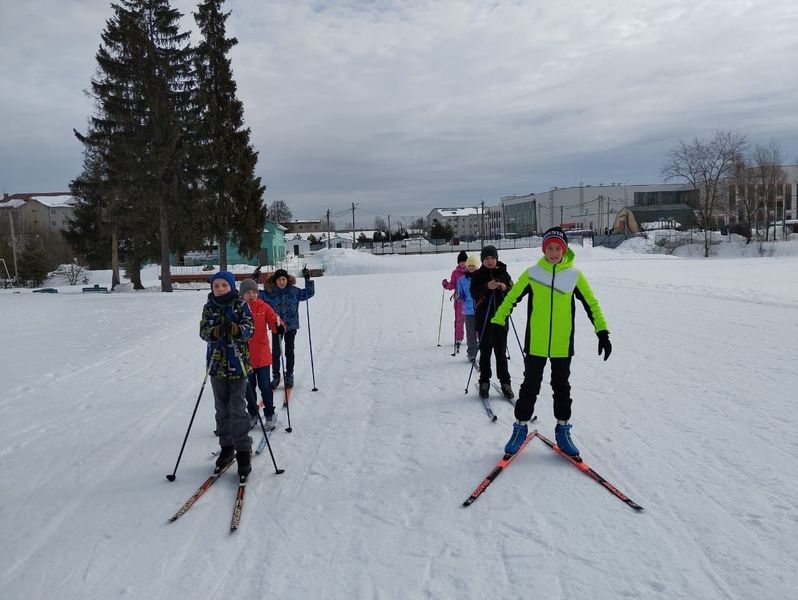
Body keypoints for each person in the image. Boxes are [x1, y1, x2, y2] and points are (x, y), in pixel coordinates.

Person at [491, 227, 611, 459]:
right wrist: (498, 321)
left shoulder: (574, 276)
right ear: (544, 249)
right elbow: (511, 298)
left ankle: (563, 430)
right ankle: (519, 428)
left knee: (562, 388)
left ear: (564, 250)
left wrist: (602, 332)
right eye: (550, 248)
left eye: (558, 248)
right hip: (536, 343)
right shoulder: (533, 273)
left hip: (562, 344)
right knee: (530, 387)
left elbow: (591, 304)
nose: (553, 252)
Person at [199, 271, 255, 477]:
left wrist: (236, 329)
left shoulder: (241, 305)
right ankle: (226, 447)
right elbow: (203, 331)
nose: (220, 289)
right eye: (216, 286)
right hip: (217, 367)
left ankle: (242, 450)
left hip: (239, 366)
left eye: (224, 285)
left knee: (238, 410)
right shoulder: (209, 307)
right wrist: (214, 332)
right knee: (221, 410)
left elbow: (251, 328)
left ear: (231, 286)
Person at [258, 267, 315, 389]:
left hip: (291, 325)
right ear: (275, 281)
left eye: (283, 279)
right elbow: (253, 294)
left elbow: (308, 293)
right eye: (279, 279)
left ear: (287, 280)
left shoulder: (293, 291)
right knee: (276, 352)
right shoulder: (269, 293)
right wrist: (254, 279)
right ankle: (276, 376)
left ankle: (289, 375)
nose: (281, 282)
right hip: (276, 326)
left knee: (289, 351)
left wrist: (308, 279)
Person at [238, 279, 284, 430]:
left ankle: (269, 415)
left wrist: (279, 326)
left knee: (265, 387)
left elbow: (273, 319)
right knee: (249, 389)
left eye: (254, 292)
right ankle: (252, 414)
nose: (251, 295)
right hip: (245, 357)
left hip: (263, 356)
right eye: (247, 292)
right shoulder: (239, 309)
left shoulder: (263, 306)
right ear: (242, 294)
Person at [470, 245, 514, 400]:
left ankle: (505, 382)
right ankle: (484, 381)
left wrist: (504, 287)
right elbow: (473, 292)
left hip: (501, 321)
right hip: (483, 321)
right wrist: (486, 286)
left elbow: (513, 292)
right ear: (482, 260)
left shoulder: (503, 273)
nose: (489, 261)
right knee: (485, 353)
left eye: (492, 258)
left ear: (497, 258)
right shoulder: (478, 274)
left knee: (501, 353)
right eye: (486, 258)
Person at [442, 250, 468, 353]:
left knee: (473, 319)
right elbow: (452, 285)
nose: (462, 263)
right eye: (460, 261)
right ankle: (458, 338)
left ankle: (476, 337)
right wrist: (446, 284)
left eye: (464, 261)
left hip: (471, 299)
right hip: (459, 300)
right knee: (459, 319)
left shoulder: (471, 270)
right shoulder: (455, 273)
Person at [455, 254, 479, 362]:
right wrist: (460, 296)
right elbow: (460, 294)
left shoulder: (481, 277)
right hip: (468, 310)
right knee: (470, 333)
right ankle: (472, 353)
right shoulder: (462, 280)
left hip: (480, 309)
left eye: (473, 265)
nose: (471, 267)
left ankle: (484, 351)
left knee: (482, 331)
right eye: (469, 265)